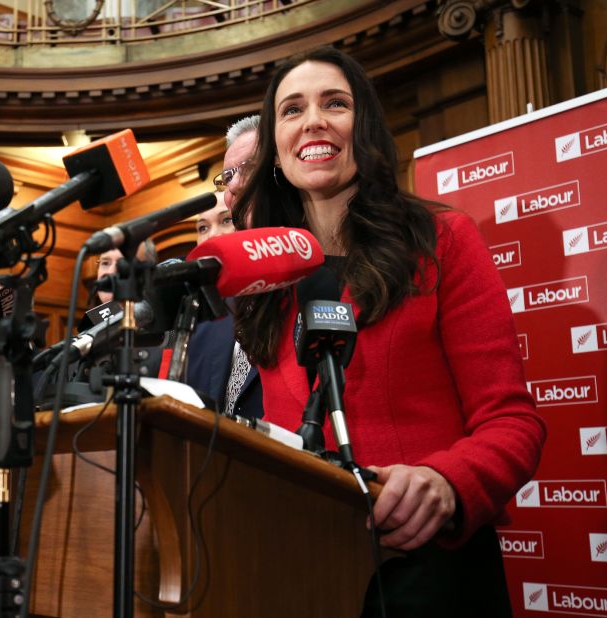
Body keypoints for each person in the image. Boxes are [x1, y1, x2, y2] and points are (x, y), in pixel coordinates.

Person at [230, 46, 545, 616]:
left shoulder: (440, 240)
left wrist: (446, 482)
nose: (314, 121)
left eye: (336, 103)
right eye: (292, 109)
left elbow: (513, 423)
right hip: (297, 566)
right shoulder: (263, 273)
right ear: (275, 149)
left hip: (427, 571)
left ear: (365, 126)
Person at [186, 177, 263, 419]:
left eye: (226, 220)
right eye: (202, 228)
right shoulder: (201, 323)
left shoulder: (288, 302)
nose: (212, 237)